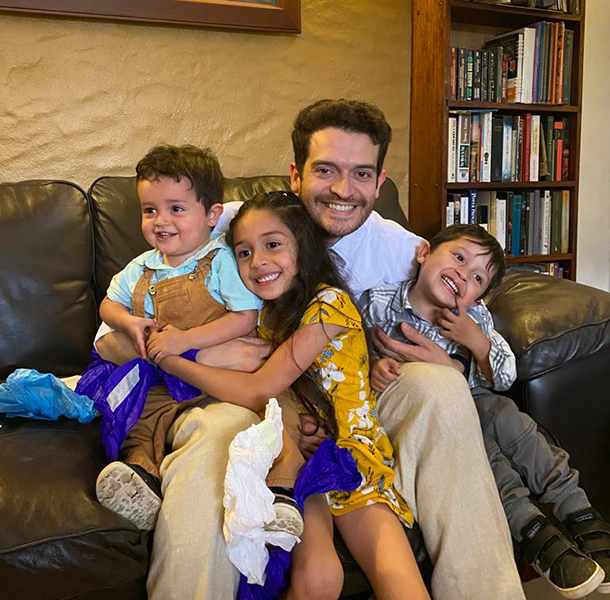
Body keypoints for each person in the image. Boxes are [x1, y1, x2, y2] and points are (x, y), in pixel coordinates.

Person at [146, 99, 525, 600]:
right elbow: (142, 309)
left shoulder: (402, 248)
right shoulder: (226, 225)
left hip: (355, 400)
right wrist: (195, 353)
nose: (344, 191)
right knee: (218, 431)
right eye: (325, 170)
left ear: (379, 180)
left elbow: (469, 297)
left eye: (361, 174)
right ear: (296, 174)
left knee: (441, 386)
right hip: (260, 405)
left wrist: (458, 361)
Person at [158, 190, 431, 600]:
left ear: (302, 246)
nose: (258, 262)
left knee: (401, 586)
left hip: (352, 456)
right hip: (299, 459)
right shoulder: (255, 316)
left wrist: (175, 360)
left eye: (273, 245)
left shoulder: (329, 305)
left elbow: (258, 388)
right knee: (319, 578)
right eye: (244, 252)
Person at [361, 223, 610, 599]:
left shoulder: (474, 319)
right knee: (485, 453)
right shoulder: (377, 303)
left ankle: (579, 512)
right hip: (425, 412)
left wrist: (475, 342)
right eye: (458, 257)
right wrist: (372, 368)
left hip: (480, 400)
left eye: (476, 277)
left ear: (479, 296)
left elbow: (504, 375)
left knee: (514, 422)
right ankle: (532, 531)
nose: (462, 274)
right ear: (424, 252)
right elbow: (348, 354)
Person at [94, 144, 306, 534]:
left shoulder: (221, 259)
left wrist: (184, 341)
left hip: (223, 376)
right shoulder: (141, 266)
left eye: (176, 208)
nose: (161, 221)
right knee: (142, 413)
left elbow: (244, 318)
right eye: (149, 209)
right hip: (166, 376)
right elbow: (107, 305)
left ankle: (280, 493)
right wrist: (127, 322)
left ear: (212, 215)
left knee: (277, 411)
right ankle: (141, 476)